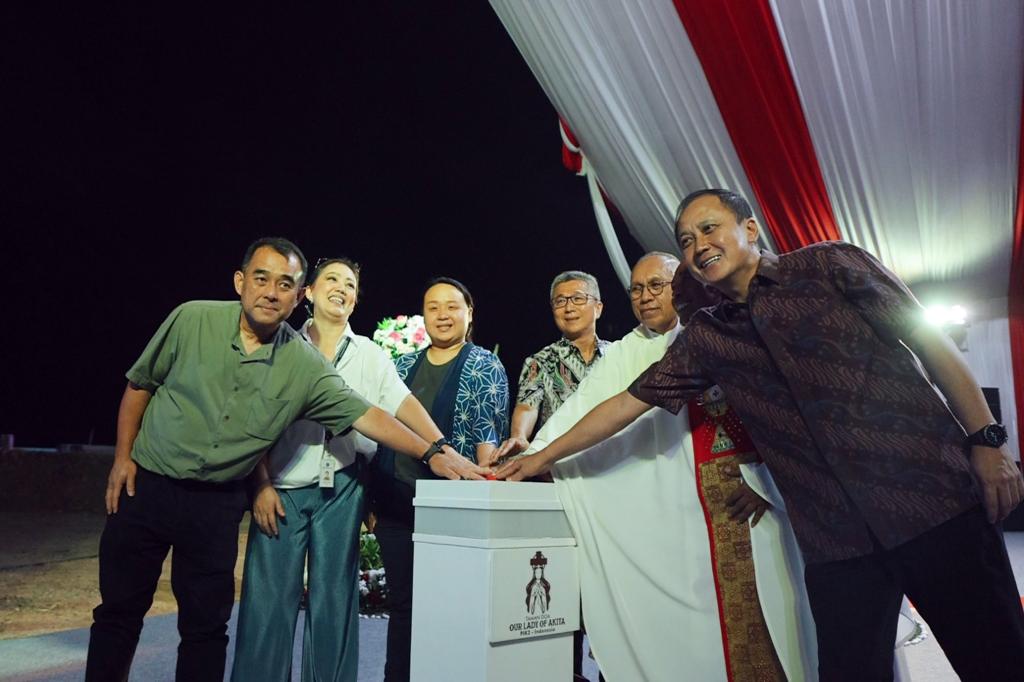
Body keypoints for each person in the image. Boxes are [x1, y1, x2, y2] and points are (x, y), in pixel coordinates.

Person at [499, 189, 1024, 681]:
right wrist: (541, 456)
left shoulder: (829, 265)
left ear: (749, 228)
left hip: (932, 504)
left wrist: (988, 439)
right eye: (686, 240)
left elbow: (930, 341)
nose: (699, 246)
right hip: (837, 544)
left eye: (710, 228)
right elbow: (627, 403)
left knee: (998, 660)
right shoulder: (709, 337)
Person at [86, 239, 488, 682]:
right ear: (245, 282)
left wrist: (435, 450)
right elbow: (145, 386)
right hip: (198, 486)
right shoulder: (202, 321)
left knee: (213, 625)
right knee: (128, 612)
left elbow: (375, 412)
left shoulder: (320, 361)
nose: (271, 292)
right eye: (262, 279)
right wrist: (124, 457)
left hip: (265, 497)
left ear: (297, 295)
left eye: (284, 284)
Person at [496, 252, 817, 681]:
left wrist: (768, 481)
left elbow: (782, 410)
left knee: (770, 620)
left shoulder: (720, 332)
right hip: (674, 517)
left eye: (656, 286)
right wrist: (532, 458)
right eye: (636, 289)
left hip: (748, 501)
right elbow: (584, 415)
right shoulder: (626, 352)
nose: (645, 297)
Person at [231, 258, 458, 681]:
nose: (341, 288)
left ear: (355, 300)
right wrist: (259, 484)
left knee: (334, 603)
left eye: (350, 284)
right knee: (268, 605)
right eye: (331, 279)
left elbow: (403, 404)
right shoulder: (281, 345)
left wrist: (442, 449)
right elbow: (252, 423)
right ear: (308, 292)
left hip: (343, 487)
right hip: (280, 487)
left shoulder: (370, 353)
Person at [370, 276, 509, 681]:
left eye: (452, 306)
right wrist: (370, 502)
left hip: (451, 511)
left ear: (470, 313)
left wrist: (486, 491)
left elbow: (487, 434)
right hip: (396, 506)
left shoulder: (484, 364)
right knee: (403, 607)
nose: (442, 315)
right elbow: (379, 433)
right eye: (433, 307)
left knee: (451, 608)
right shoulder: (400, 366)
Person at [507, 270, 608, 450]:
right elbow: (527, 406)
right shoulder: (540, 361)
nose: (569, 308)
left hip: (615, 458)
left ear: (598, 308)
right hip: (560, 462)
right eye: (560, 301)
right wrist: (519, 436)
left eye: (578, 298)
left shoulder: (617, 354)